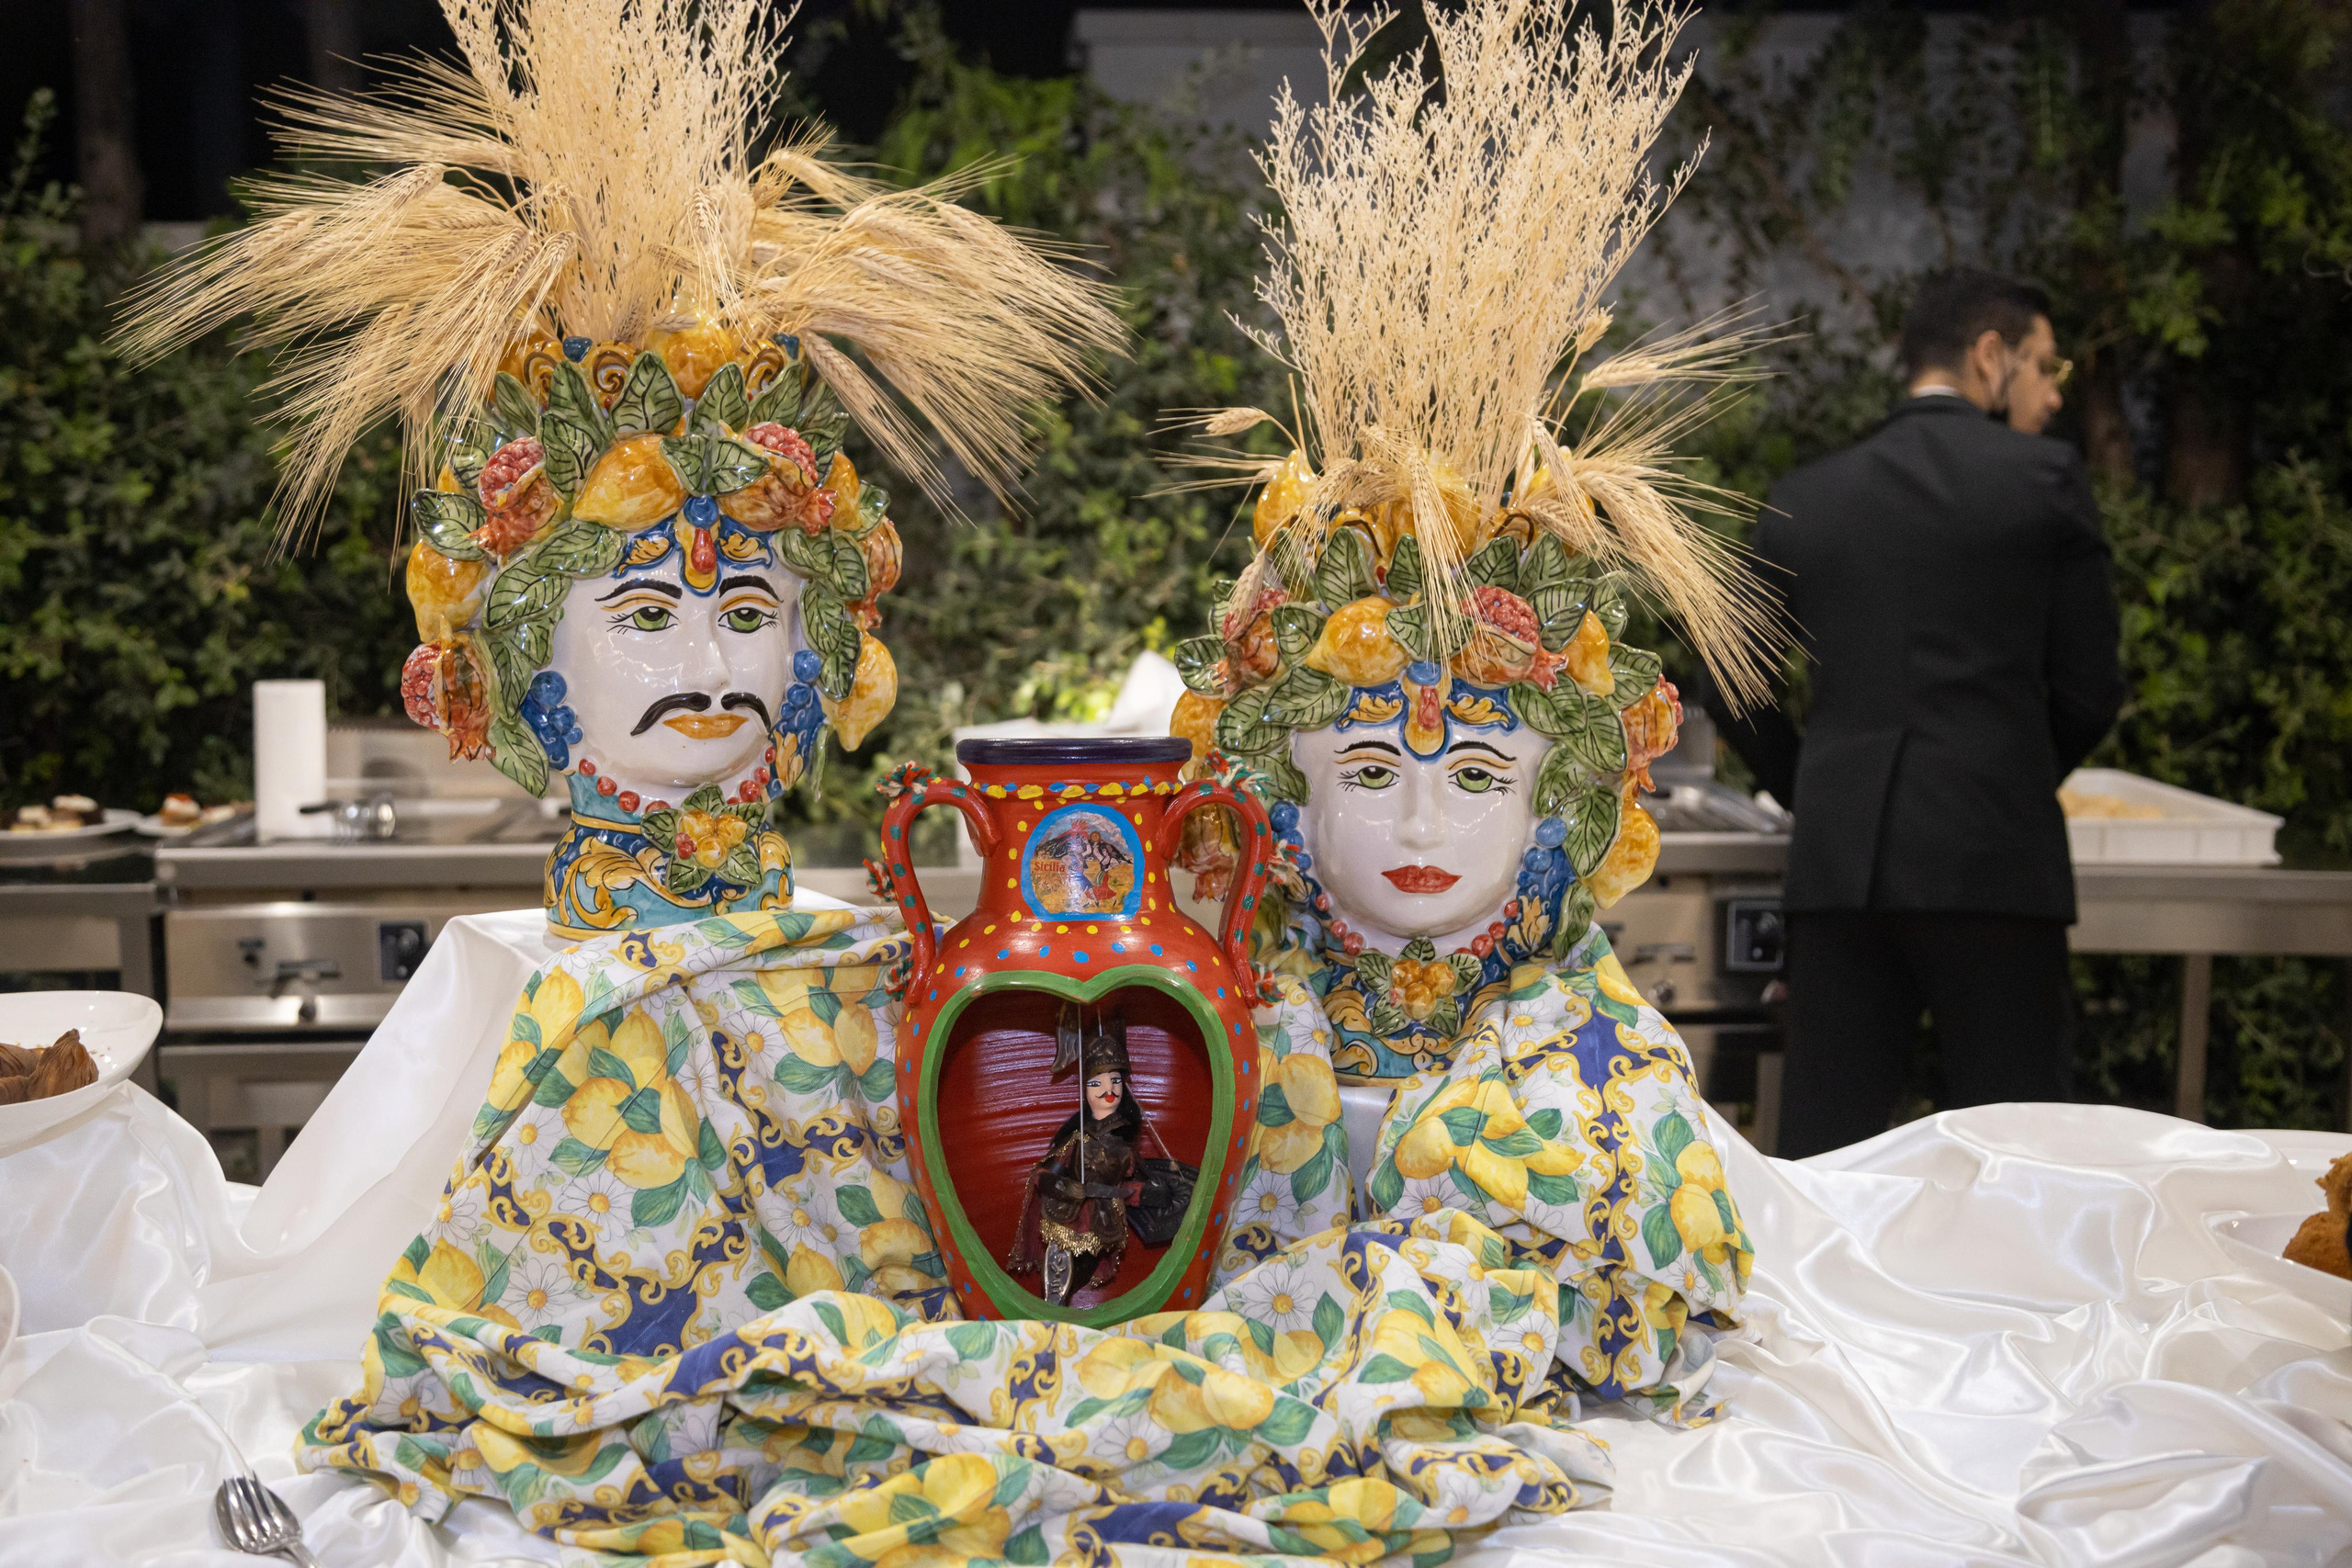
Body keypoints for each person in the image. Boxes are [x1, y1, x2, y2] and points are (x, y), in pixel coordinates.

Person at [1713, 267, 2123, 1158]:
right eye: (2043, 367)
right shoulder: (2044, 479)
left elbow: (1727, 676)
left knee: (1825, 1164)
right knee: (2023, 1161)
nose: (2052, 397)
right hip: (1994, 863)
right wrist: (2003, 774)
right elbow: (2092, 689)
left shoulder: (1806, 497)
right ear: (1989, 356)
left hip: (1840, 875)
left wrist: (1819, 784)